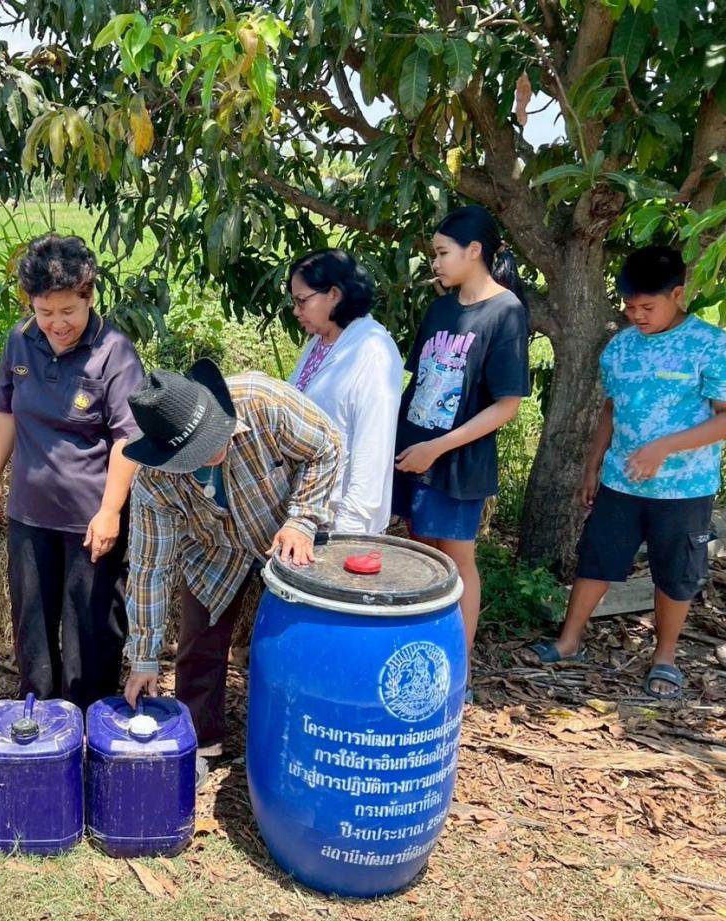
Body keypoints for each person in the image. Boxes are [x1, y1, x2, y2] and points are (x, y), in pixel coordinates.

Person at [120, 360, 342, 783]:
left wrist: (303, 518)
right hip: (214, 547)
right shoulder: (154, 484)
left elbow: (327, 446)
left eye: (213, 438)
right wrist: (144, 658)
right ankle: (200, 744)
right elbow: (150, 569)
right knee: (198, 640)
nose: (211, 452)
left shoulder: (263, 402)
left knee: (303, 639)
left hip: (286, 528)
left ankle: (302, 737)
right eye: (195, 453)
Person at [531, 246, 726, 699]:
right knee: (597, 559)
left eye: (647, 307)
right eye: (629, 306)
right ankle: (569, 641)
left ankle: (665, 659)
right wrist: (593, 464)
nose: (637, 315)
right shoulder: (620, 347)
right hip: (620, 481)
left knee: (674, 575)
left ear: (677, 294)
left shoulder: (710, 344)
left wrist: (664, 447)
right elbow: (610, 409)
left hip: (684, 489)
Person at [0, 234, 145, 710]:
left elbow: (128, 438)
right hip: (29, 512)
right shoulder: (20, 340)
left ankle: (91, 721)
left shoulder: (114, 351)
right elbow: (6, 409)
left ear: (88, 296)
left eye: (68, 311)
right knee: (31, 623)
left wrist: (110, 511)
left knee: (90, 632)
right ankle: (38, 718)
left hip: (89, 519)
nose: (57, 323)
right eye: (44, 312)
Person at [392, 206, 530, 654]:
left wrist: (438, 448)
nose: (435, 263)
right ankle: (424, 650)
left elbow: (507, 406)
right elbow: (418, 384)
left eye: (442, 252)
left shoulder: (506, 312)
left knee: (456, 561)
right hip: (413, 452)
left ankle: (459, 662)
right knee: (421, 555)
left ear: (474, 251)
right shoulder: (440, 309)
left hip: (457, 463)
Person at [287, 249, 404, 534]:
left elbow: (374, 444)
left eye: (302, 301)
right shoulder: (320, 343)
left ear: (334, 295)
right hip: (308, 508)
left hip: (342, 518)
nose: (296, 311)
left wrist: (351, 526)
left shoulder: (372, 350)